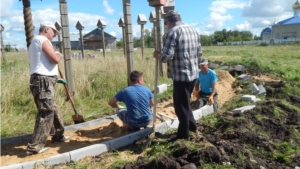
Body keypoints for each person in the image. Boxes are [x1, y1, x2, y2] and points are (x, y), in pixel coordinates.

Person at [153, 10, 202, 141]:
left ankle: (182, 136)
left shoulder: (173, 32)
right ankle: (192, 127)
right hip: (193, 74)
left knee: (180, 106)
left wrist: (158, 55)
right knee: (185, 104)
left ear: (168, 22)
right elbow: (199, 54)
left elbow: (166, 56)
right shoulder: (194, 30)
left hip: (181, 76)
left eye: (166, 23)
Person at [26, 21, 70, 155]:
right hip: (43, 81)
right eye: (54, 32)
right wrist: (59, 54)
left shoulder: (35, 42)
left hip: (42, 80)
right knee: (46, 112)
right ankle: (35, 146)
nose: (55, 35)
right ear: (46, 29)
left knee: (52, 108)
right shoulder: (42, 39)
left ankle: (58, 135)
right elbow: (54, 59)